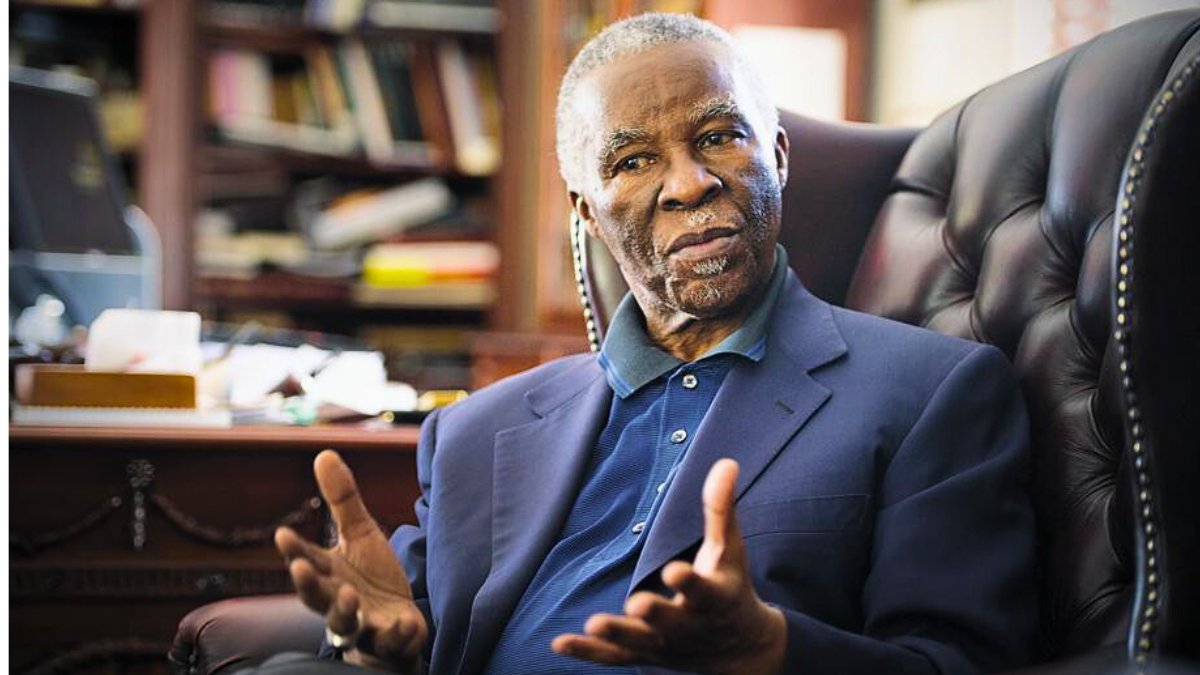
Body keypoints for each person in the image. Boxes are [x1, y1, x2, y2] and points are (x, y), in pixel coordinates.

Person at [274, 12, 1037, 675]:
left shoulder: (932, 391)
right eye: (634, 160)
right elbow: (397, 627)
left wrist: (772, 650)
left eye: (718, 137)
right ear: (587, 210)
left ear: (776, 157)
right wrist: (375, 649)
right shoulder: (474, 431)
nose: (687, 184)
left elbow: (959, 660)